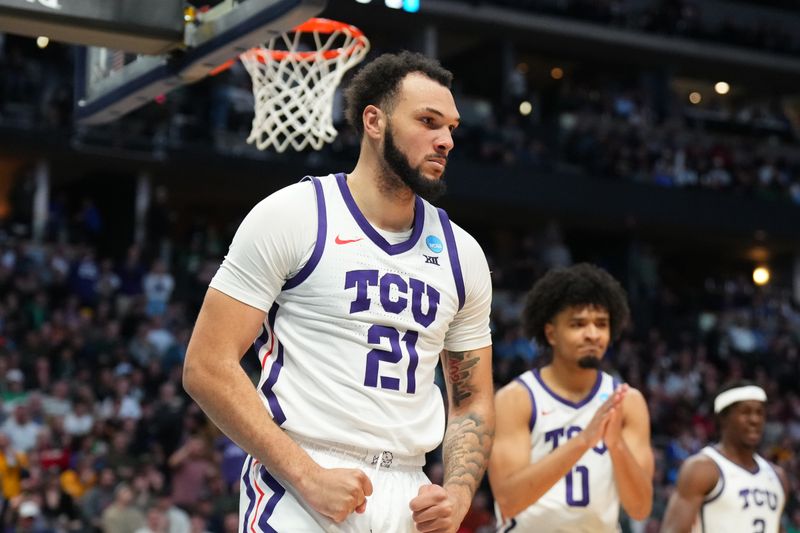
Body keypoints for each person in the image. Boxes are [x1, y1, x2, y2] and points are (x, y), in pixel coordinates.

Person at [183, 51, 494, 532]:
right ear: (374, 120)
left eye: (451, 128)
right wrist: (306, 476)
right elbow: (206, 365)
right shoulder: (295, 214)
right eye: (428, 122)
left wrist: (457, 492)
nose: (445, 140)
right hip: (303, 475)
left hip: (410, 492)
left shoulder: (463, 254)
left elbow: (472, 399)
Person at [488, 263, 654, 532]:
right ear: (551, 333)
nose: (592, 334)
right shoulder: (517, 398)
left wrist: (617, 446)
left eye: (601, 324)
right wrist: (584, 440)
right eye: (578, 324)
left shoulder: (628, 401)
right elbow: (508, 501)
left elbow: (640, 508)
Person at [661, 382, 788, 533]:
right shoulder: (702, 468)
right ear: (723, 418)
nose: (755, 420)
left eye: (760, 413)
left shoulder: (777, 476)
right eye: (745, 412)